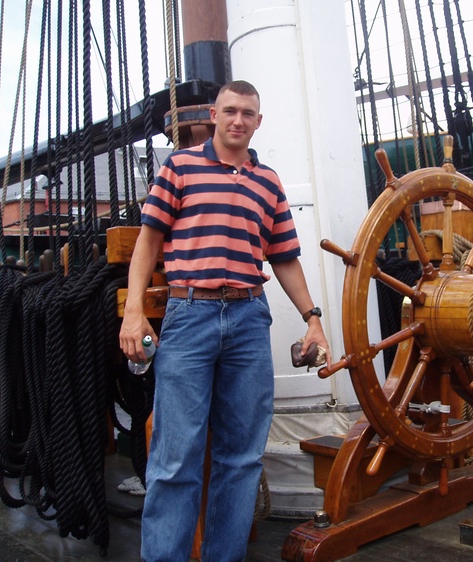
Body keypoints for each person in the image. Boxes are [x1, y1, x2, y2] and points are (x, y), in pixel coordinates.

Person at [119, 79, 331, 562]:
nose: (238, 120)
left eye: (248, 113)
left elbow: (284, 258)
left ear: (259, 121)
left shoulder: (269, 181)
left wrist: (312, 318)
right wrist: (134, 312)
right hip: (189, 314)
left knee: (241, 458)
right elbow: (148, 243)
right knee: (175, 459)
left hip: (249, 318)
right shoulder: (180, 166)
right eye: (230, 110)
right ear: (214, 114)